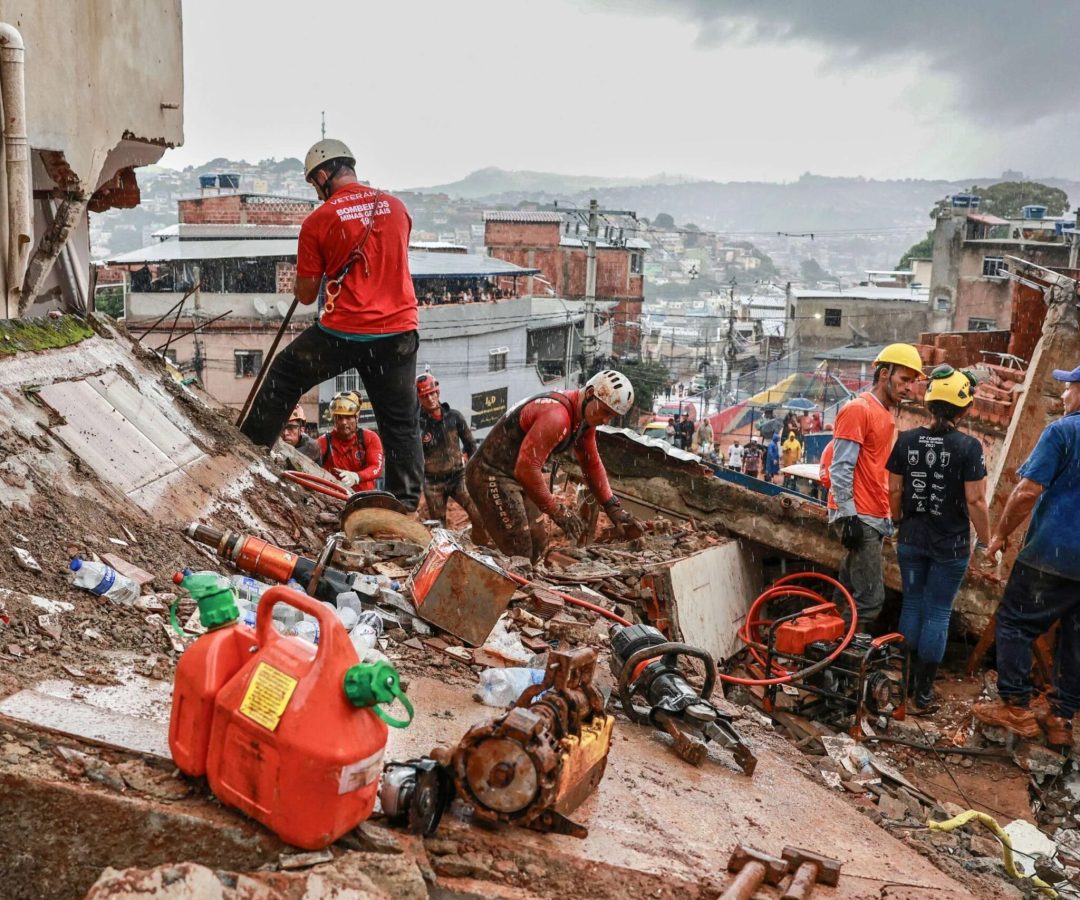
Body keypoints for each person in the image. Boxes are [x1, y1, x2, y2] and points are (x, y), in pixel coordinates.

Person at [238, 139, 423, 510]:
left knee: (286, 376)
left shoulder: (320, 220)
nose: (317, 192)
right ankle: (404, 502)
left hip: (346, 331)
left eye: (314, 184)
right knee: (401, 420)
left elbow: (306, 295)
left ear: (322, 176)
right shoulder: (397, 208)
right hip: (399, 331)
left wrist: (315, 271)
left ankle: (247, 450)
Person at [972, 365, 1080, 745]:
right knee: (1075, 639)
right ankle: (1061, 718)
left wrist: (1000, 534)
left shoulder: (1063, 432)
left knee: (1015, 622)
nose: (1064, 396)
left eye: (1069, 388)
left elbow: (1026, 492)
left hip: (1053, 554)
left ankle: (1016, 707)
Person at [887, 367, 989, 714]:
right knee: (938, 613)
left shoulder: (907, 439)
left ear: (929, 403)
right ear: (963, 409)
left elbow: (895, 490)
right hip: (951, 546)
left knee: (912, 606)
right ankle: (923, 695)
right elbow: (975, 501)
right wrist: (986, 541)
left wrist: (900, 522)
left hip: (911, 539)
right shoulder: (969, 448)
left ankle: (902, 686)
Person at [464, 370, 645, 562]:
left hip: (515, 475)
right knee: (519, 551)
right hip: (489, 474)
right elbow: (527, 469)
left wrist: (612, 507)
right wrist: (557, 511)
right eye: (606, 412)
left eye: (613, 416)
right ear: (591, 393)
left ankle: (527, 584)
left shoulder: (583, 420)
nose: (606, 420)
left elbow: (591, 464)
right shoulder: (557, 416)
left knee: (538, 545)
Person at [827, 343, 923, 627]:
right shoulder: (858, 409)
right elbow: (840, 466)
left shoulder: (884, 414)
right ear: (884, 374)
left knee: (846, 592)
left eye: (913, 382)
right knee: (870, 600)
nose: (909, 388)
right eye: (904, 380)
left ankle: (825, 648)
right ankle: (840, 660)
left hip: (872, 517)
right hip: (860, 516)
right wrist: (848, 516)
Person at [416, 374, 484, 533]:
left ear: (438, 392)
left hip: (458, 476)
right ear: (419, 398)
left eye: (432, 393)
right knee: (439, 527)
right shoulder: (418, 425)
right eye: (425, 396)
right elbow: (413, 456)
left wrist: (471, 466)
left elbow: (470, 444)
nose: (430, 398)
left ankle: (483, 545)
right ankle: (446, 554)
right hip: (432, 483)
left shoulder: (454, 417)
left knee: (478, 513)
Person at [317, 391, 384, 492]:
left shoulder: (370, 438)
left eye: (348, 417)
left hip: (365, 498)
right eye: (339, 417)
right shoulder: (323, 442)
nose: (344, 422)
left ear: (357, 417)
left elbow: (376, 468)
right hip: (334, 498)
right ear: (334, 418)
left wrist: (357, 476)